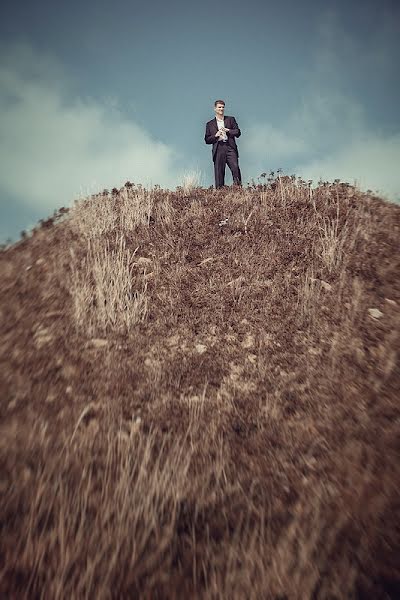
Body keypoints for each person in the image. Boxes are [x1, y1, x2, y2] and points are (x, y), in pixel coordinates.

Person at [204, 100, 242, 189]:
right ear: (215, 109)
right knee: (219, 172)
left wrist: (228, 130)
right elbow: (207, 140)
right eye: (219, 107)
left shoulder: (231, 119)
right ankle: (219, 193)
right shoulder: (209, 124)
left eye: (223, 107)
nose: (221, 109)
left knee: (235, 168)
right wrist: (215, 135)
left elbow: (238, 132)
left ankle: (238, 189)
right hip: (218, 149)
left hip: (230, 147)